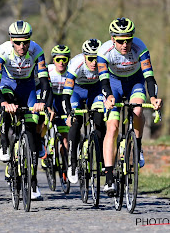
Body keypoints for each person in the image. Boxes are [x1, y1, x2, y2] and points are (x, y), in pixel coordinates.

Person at [97, 17, 162, 195]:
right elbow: (103, 81)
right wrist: (109, 96)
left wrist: (154, 97)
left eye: (128, 39)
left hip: (135, 81)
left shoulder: (140, 47)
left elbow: (149, 77)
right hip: (113, 83)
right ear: (112, 39)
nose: (125, 44)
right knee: (112, 127)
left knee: (138, 109)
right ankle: (109, 178)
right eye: (120, 40)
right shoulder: (104, 52)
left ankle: (138, 147)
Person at [0, 20, 50, 200]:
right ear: (11, 40)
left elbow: (45, 82)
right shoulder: (1, 52)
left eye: (26, 41)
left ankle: (32, 183)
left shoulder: (37, 51)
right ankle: (4, 144)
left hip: (28, 87)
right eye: (18, 42)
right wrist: (2, 102)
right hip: (8, 85)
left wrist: (42, 102)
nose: (22, 46)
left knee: (32, 132)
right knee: (7, 106)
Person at [62, 38, 105, 184]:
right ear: (84, 56)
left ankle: (101, 159)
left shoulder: (105, 62)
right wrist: (68, 113)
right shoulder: (76, 64)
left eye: (97, 58)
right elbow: (66, 94)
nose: (94, 62)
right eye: (91, 58)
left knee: (99, 120)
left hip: (96, 90)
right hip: (77, 92)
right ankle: (72, 163)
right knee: (75, 122)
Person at [41, 45, 70, 169]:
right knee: (43, 122)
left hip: (64, 101)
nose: (61, 62)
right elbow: (45, 90)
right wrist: (47, 107)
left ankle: (63, 162)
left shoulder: (71, 72)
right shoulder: (48, 70)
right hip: (50, 98)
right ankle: (42, 146)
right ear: (53, 60)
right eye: (58, 59)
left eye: (64, 59)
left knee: (65, 140)